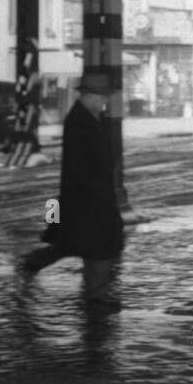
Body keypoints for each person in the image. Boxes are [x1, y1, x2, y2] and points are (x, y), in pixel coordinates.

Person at [30, 69, 124, 306]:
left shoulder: (89, 118)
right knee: (96, 248)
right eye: (103, 98)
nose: (104, 103)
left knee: (76, 244)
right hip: (88, 199)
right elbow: (84, 165)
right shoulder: (80, 121)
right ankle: (96, 299)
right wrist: (100, 198)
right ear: (91, 96)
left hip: (89, 199)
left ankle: (96, 295)